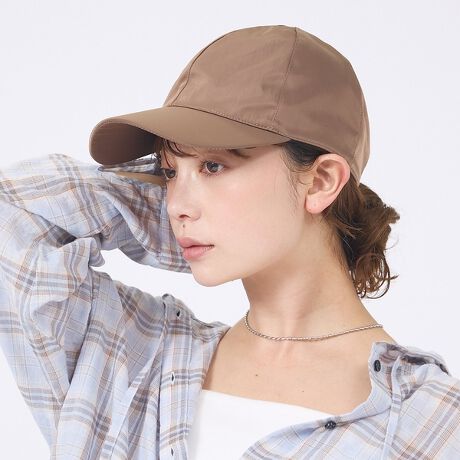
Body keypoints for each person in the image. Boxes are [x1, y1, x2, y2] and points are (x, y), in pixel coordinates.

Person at [0, 24, 458, 460]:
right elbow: (14, 211)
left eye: (214, 166)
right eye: (169, 173)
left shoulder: (427, 421)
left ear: (321, 181)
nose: (176, 205)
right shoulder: (136, 356)